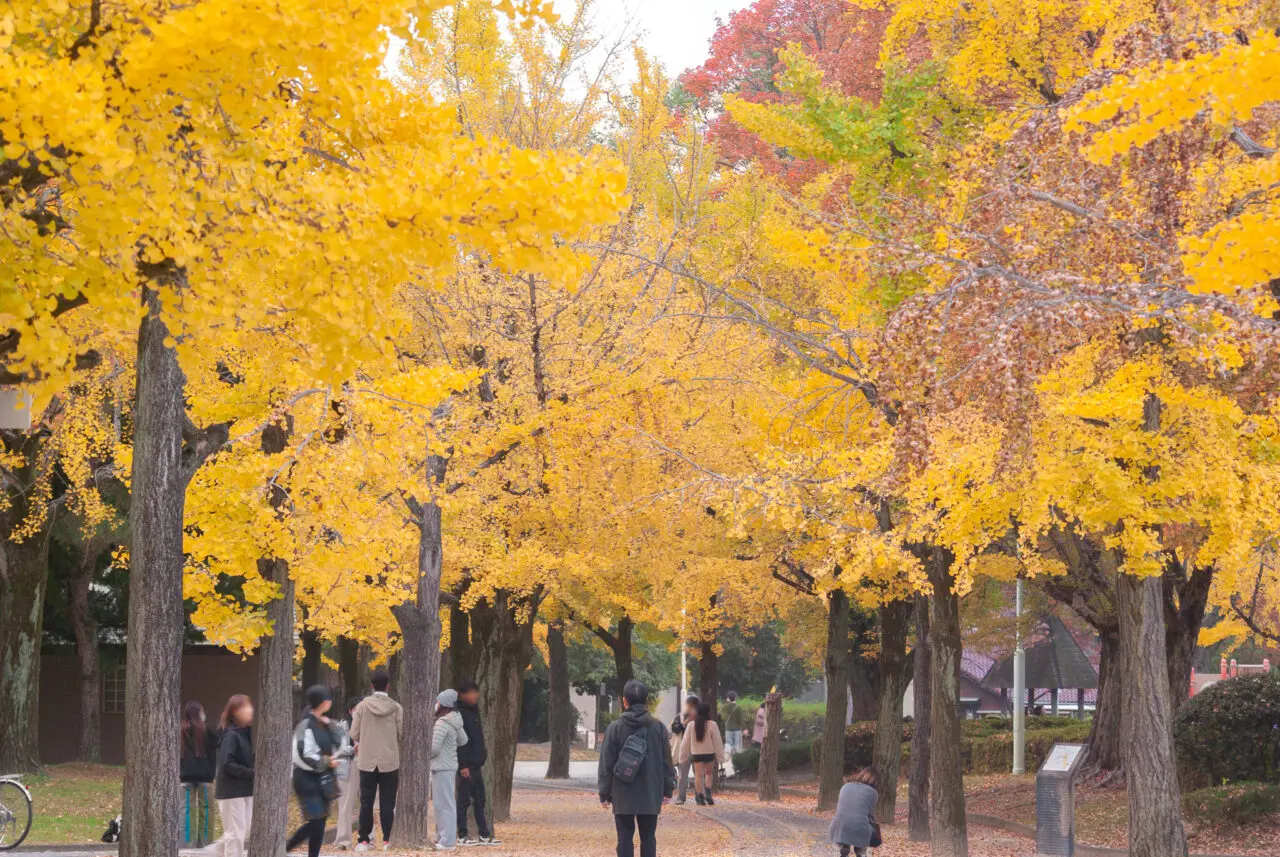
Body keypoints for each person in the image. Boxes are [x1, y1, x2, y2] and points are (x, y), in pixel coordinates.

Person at [598, 679, 676, 857]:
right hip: (650, 791)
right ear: (646, 701)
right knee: (649, 838)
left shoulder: (614, 728)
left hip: (622, 792)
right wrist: (668, 789)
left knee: (624, 839)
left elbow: (606, 763)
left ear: (624, 701)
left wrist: (604, 792)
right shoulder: (658, 728)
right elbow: (666, 761)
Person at [287, 685, 346, 857]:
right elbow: (303, 753)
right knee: (316, 822)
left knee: (320, 821)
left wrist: (333, 727)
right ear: (323, 702)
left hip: (323, 779)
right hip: (306, 780)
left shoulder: (325, 723)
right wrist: (327, 761)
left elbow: (339, 743)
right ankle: (285, 848)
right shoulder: (305, 724)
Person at [351, 670, 404, 851]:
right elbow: (401, 733)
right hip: (390, 760)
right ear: (388, 686)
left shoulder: (362, 707)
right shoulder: (396, 707)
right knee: (388, 802)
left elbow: (354, 733)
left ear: (372, 685)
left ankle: (364, 840)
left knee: (366, 801)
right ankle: (388, 839)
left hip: (366, 760)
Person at [455, 681, 501, 846]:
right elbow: (460, 742)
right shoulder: (459, 713)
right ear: (463, 694)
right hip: (466, 764)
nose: (476, 696)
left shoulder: (474, 712)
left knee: (480, 799)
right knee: (463, 800)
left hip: (476, 763)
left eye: (476, 692)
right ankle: (462, 834)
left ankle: (484, 834)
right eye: (472, 692)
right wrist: (463, 765)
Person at [210, 694, 254, 857]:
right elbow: (226, 763)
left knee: (243, 830)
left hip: (245, 789)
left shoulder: (244, 734)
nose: (251, 710)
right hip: (231, 791)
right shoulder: (230, 735)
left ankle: (213, 852)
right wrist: (250, 773)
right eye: (246, 706)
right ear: (235, 711)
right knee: (235, 834)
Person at [431, 689, 469, 851]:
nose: (436, 704)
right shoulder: (455, 720)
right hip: (449, 766)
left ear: (443, 704)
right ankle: (443, 837)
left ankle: (447, 841)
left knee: (443, 804)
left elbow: (433, 749)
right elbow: (464, 740)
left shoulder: (441, 723)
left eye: (438, 701)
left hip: (441, 766)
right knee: (444, 803)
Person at [180, 701, 218, 848]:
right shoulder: (206, 731)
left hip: (185, 777)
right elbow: (218, 742)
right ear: (198, 713)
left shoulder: (181, 731)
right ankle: (205, 843)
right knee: (207, 811)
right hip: (205, 777)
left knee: (185, 811)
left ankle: (186, 845)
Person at [679, 702, 725, 806]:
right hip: (709, 753)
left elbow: (685, 742)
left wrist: (683, 757)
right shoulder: (712, 724)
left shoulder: (691, 725)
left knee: (699, 776)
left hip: (696, 754)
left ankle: (700, 797)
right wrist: (720, 756)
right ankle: (708, 794)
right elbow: (718, 741)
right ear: (708, 713)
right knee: (709, 774)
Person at [828, 767, 880, 857]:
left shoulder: (845, 786)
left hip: (838, 827)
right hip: (859, 828)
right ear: (875, 781)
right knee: (862, 833)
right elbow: (870, 817)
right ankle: (860, 851)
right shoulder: (873, 793)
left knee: (845, 839)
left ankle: (844, 849)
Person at [333, 696, 362, 850]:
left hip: (364, 766)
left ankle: (366, 839)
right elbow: (336, 749)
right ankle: (343, 840)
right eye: (356, 709)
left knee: (365, 803)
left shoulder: (368, 726)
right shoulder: (342, 727)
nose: (359, 712)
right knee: (344, 804)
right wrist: (353, 749)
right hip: (346, 767)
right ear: (350, 710)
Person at [668, 695, 698, 805]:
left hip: (697, 748)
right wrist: (684, 722)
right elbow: (675, 729)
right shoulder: (680, 716)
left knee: (698, 774)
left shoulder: (700, 717)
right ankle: (681, 797)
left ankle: (699, 797)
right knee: (682, 776)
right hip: (684, 749)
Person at [721, 691, 745, 756]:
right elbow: (741, 720)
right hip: (737, 729)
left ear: (728, 698)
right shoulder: (738, 708)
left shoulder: (724, 707)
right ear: (735, 698)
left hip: (728, 729)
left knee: (728, 745)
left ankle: (728, 758)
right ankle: (735, 759)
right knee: (737, 746)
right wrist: (744, 729)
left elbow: (723, 718)